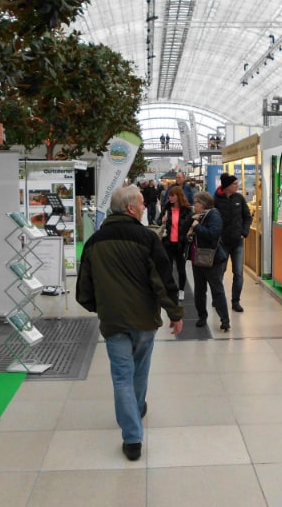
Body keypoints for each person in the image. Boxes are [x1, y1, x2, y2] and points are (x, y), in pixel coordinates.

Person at [76, 185, 184, 462]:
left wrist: (101, 307)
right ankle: (135, 417)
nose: (145, 207)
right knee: (139, 371)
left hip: (113, 321)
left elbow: (83, 290)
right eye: (141, 203)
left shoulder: (94, 242)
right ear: (131, 208)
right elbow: (163, 280)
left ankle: (132, 437)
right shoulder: (147, 239)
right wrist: (175, 313)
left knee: (122, 376)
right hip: (144, 320)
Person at [187, 191, 230, 331]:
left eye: (196, 202)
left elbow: (213, 234)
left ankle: (224, 320)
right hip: (197, 258)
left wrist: (196, 226)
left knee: (216, 290)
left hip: (211, 259)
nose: (194, 205)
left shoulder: (213, 215)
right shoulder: (198, 216)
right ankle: (201, 316)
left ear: (203, 204)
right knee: (199, 290)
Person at [214, 173, 252, 313]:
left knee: (238, 273)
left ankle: (235, 301)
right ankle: (217, 297)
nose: (237, 186)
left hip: (237, 242)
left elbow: (247, 216)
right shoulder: (216, 200)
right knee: (220, 272)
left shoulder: (239, 198)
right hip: (222, 242)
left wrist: (244, 232)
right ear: (227, 186)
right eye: (234, 184)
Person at [159, 185, 193, 302]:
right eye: (169, 196)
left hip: (180, 244)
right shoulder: (167, 208)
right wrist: (162, 220)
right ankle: (170, 289)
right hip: (168, 243)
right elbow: (159, 221)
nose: (170, 198)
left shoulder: (187, 210)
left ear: (178, 196)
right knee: (167, 268)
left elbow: (189, 225)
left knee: (181, 269)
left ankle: (181, 290)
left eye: (172, 196)